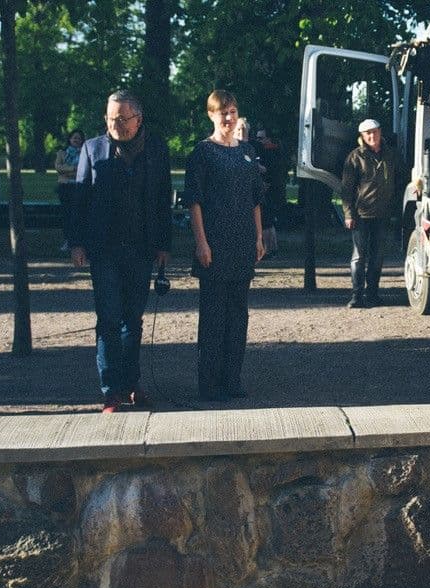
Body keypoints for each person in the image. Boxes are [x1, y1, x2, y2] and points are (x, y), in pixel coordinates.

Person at [70, 91, 173, 414]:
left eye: (122, 118)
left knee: (134, 321)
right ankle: (111, 391)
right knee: (109, 320)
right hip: (104, 250)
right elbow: (79, 200)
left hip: (141, 248)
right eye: (111, 118)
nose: (115, 124)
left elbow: (163, 199)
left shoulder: (156, 149)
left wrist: (164, 245)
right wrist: (77, 243)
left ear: (138, 119)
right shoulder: (92, 149)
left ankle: (132, 384)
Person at [183, 89, 265, 402]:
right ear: (211, 115)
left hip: (242, 243)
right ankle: (210, 383)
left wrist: (258, 236)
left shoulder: (247, 151)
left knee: (238, 315)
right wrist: (201, 242)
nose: (228, 118)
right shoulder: (202, 153)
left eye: (232, 112)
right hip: (214, 245)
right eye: (222, 113)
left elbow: (255, 199)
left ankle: (232, 379)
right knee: (214, 317)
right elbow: (194, 202)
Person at [340, 118, 401, 308]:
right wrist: (348, 214)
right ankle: (357, 296)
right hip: (361, 214)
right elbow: (347, 189)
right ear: (362, 136)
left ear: (380, 132)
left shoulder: (391, 155)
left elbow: (401, 179)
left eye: (375, 132)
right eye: (368, 133)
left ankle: (373, 294)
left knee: (377, 256)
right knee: (358, 256)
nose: (372, 136)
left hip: (383, 214)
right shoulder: (355, 157)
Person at [253, 126, 286, 256]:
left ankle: (268, 249)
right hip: (272, 190)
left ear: (268, 139)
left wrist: (254, 165)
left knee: (266, 221)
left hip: (271, 191)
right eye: (257, 138)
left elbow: (269, 170)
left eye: (261, 138)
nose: (258, 141)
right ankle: (273, 247)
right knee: (269, 221)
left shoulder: (271, 152)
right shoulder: (272, 151)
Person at [55, 129, 84, 252]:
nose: (76, 140)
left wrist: (69, 171)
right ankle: (68, 240)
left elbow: (84, 169)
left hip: (79, 186)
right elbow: (58, 167)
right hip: (65, 187)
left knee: (77, 214)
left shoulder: (84, 152)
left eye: (79, 138)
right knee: (66, 214)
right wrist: (73, 169)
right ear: (70, 139)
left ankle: (78, 240)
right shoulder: (62, 153)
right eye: (74, 138)